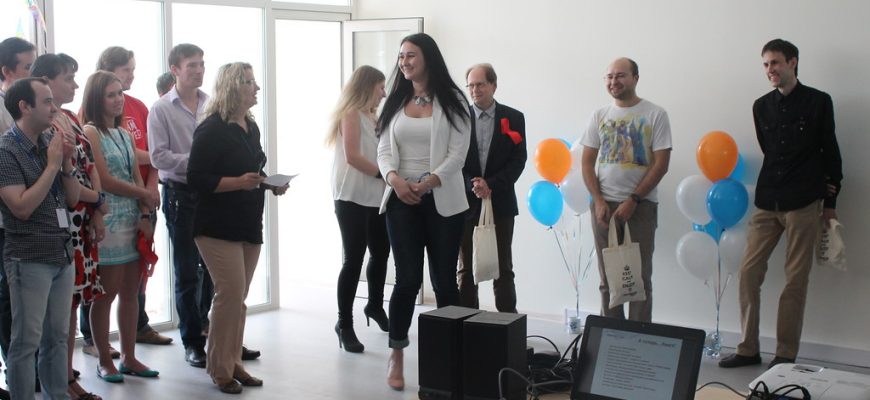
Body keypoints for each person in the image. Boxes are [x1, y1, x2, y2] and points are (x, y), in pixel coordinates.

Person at [719, 39, 843, 370]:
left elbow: (830, 150)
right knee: (748, 272)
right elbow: (769, 150)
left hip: (804, 201)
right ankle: (748, 349)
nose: (770, 70)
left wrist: (830, 201)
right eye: (765, 64)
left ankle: (785, 355)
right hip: (767, 200)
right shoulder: (761, 106)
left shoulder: (818, 101)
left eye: (775, 62)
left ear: (792, 62)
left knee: (795, 279)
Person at [376, 32, 471, 390]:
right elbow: (383, 150)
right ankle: (397, 353)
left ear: (428, 57)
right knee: (407, 280)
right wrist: (395, 180)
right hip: (401, 199)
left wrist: (430, 181)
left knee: (444, 280)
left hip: (442, 198)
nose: (404, 62)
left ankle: (451, 353)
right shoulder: (395, 100)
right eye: (401, 56)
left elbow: (458, 153)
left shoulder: (454, 100)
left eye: (411, 55)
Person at [187, 62, 288, 394]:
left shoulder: (250, 126)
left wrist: (269, 183)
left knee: (238, 299)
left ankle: (233, 362)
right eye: (249, 82)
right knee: (228, 294)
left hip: (247, 220)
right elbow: (196, 179)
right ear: (233, 87)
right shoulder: (211, 129)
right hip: (216, 225)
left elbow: (254, 170)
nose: (256, 88)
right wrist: (237, 183)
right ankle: (220, 369)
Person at [78, 46, 171, 349]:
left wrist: (145, 209)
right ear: (97, 98)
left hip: (133, 215)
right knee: (105, 293)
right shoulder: (90, 130)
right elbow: (105, 179)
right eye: (111, 94)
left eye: (120, 93)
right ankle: (103, 355)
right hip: (108, 219)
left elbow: (142, 167)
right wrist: (144, 193)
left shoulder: (126, 131)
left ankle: (130, 355)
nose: (119, 99)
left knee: (132, 291)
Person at [0, 76, 82, 400]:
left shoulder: (49, 141)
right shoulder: (6, 150)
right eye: (46, 101)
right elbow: (21, 208)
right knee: (26, 342)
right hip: (29, 257)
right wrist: (52, 166)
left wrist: (67, 165)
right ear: (24, 106)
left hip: (61, 252)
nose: (54, 107)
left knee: (58, 338)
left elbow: (72, 199)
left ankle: (56, 395)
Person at [32, 52, 107, 400]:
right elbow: (67, 181)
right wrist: (96, 199)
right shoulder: (46, 125)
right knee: (61, 309)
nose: (75, 85)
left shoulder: (71, 118)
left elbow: (89, 165)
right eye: (68, 78)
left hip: (83, 220)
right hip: (65, 222)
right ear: (46, 82)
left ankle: (66, 375)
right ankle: (61, 379)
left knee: (73, 304)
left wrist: (98, 207)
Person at [580, 57, 672, 322]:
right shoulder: (599, 115)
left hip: (640, 208)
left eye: (620, 75)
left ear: (635, 78)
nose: (614, 81)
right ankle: (610, 337)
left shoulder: (655, 114)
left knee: (639, 282)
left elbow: (661, 164)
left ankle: (638, 339)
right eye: (609, 76)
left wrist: (633, 199)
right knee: (608, 280)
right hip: (604, 208)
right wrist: (598, 200)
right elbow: (586, 163)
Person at [147, 43, 214, 368]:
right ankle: (192, 342)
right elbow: (159, 157)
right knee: (187, 272)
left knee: (214, 269)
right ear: (175, 70)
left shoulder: (210, 104)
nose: (199, 70)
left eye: (201, 64)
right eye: (192, 65)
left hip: (212, 194)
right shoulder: (161, 109)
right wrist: (197, 162)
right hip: (181, 195)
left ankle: (212, 331)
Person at [327, 65, 390, 353]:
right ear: (367, 87)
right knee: (353, 259)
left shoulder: (374, 116)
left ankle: (375, 305)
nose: (384, 94)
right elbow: (352, 156)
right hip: (351, 196)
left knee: (381, 252)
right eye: (380, 88)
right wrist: (384, 174)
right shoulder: (350, 113)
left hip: (375, 196)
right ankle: (344, 323)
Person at [457, 63, 527, 313]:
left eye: (480, 84)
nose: (475, 90)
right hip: (466, 202)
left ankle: (507, 324)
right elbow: (451, 160)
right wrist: (473, 184)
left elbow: (519, 160)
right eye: (471, 85)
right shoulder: (458, 118)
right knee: (466, 270)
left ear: (494, 85)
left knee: (503, 267)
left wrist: (491, 185)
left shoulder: (514, 118)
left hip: (501, 202)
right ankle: (466, 323)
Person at [0, 40, 37, 390]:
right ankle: (16, 373)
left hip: (32, 215)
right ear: (6, 71)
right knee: (7, 297)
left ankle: (27, 372)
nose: (33, 73)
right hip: (9, 215)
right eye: (27, 67)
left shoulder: (34, 108)